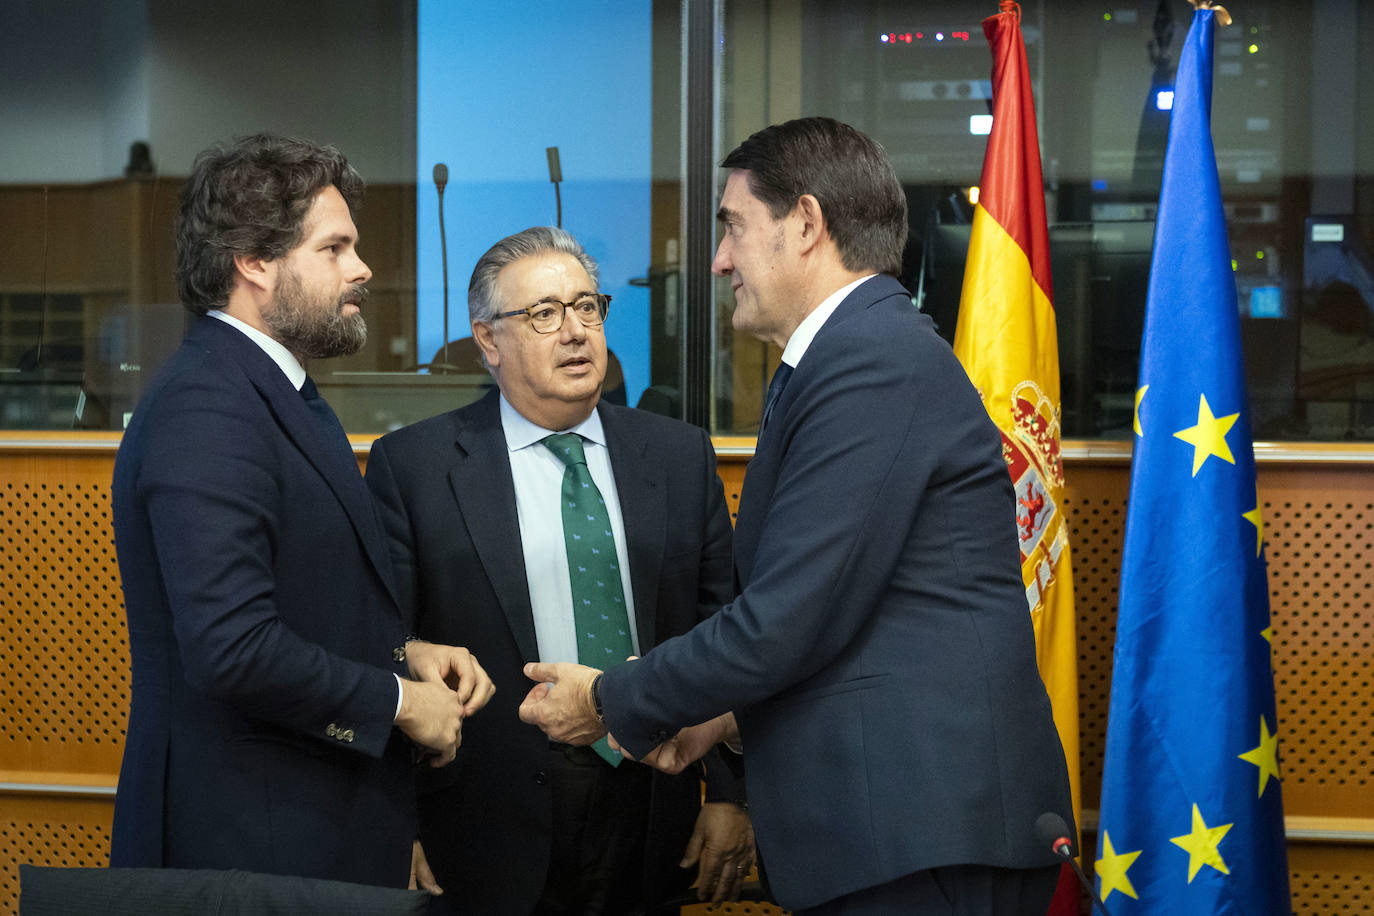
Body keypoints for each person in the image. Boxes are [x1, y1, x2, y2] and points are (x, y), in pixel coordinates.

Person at [518, 118, 1075, 915]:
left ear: (807, 224)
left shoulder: (871, 361)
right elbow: (851, 618)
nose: (719, 260)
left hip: (919, 832)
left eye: (734, 227)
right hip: (897, 830)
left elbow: (789, 616)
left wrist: (612, 699)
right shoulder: (848, 357)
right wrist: (719, 720)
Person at [110, 133, 493, 888]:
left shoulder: (271, 389)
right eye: (335, 248)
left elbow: (299, 593)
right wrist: (399, 702)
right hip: (251, 847)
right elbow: (232, 647)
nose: (363, 269)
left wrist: (399, 652)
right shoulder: (208, 407)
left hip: (304, 834)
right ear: (253, 261)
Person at [365, 226, 754, 915]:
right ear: (488, 340)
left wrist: (727, 792)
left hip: (653, 796)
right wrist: (398, 819)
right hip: (484, 817)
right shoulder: (416, 468)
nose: (575, 331)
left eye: (587, 307)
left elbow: (722, 630)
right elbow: (383, 644)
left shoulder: (677, 456)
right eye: (544, 314)